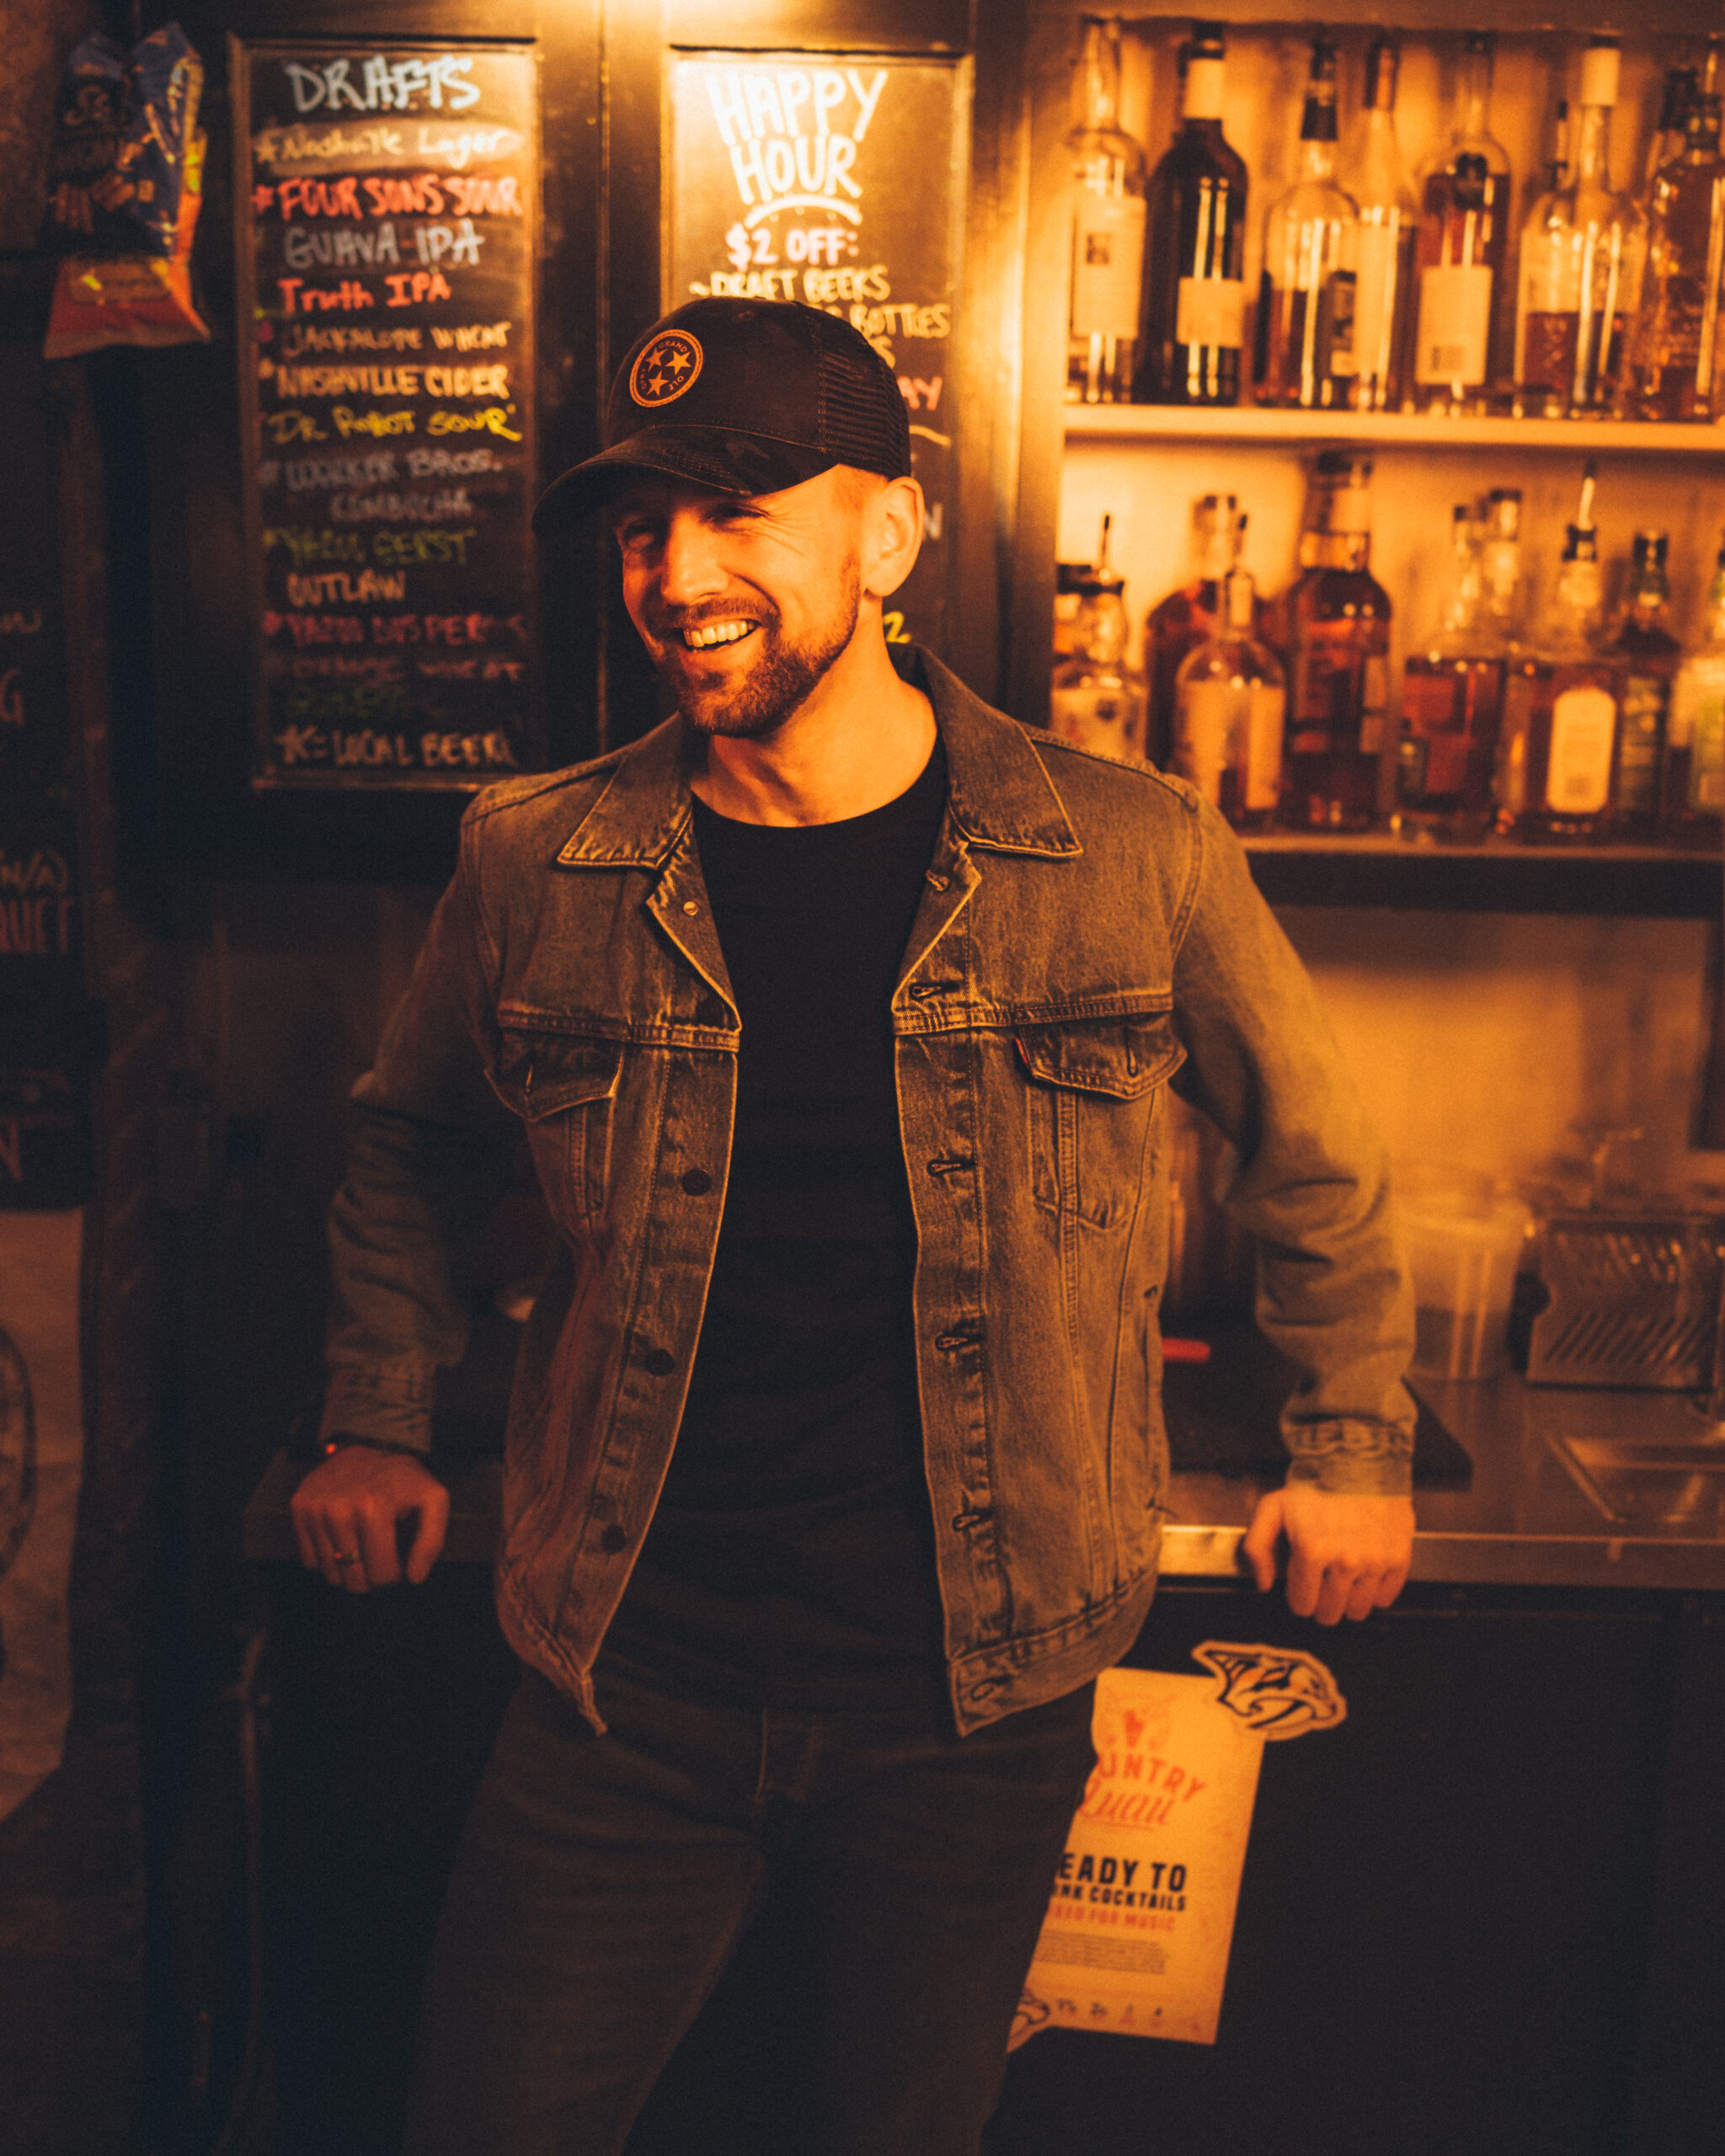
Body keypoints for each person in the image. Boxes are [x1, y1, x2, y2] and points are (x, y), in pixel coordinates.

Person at [291, 296, 1417, 2155]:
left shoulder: (1130, 852)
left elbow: (1317, 1151)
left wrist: (1350, 1445)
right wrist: (374, 1415)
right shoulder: (535, 856)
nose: (677, 576)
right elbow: (405, 1144)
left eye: (738, 513)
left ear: (888, 536)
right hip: (619, 1685)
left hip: (971, 1704)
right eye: (643, 528)